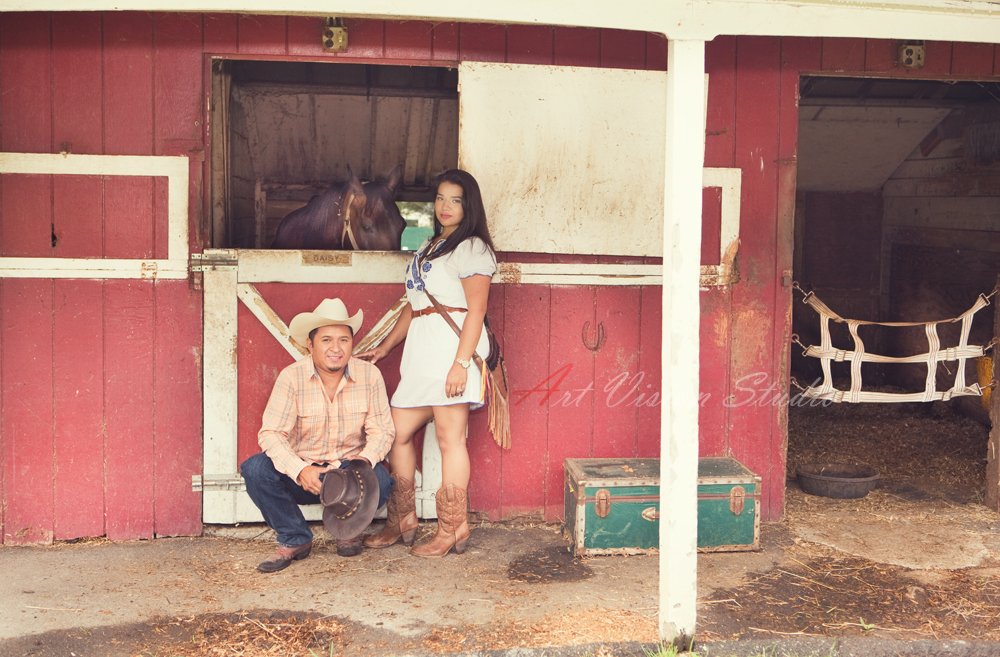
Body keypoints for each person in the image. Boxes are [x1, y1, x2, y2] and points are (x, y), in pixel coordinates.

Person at [358, 169, 497, 558]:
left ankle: (453, 527)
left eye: (455, 200)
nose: (445, 206)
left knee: (450, 440)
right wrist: (386, 348)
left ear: (469, 205)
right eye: (440, 198)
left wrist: (461, 363)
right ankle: (401, 519)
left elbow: (476, 311)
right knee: (395, 433)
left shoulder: (472, 248)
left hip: (452, 351)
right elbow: (414, 305)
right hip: (420, 356)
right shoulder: (428, 246)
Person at [241, 298, 395, 572]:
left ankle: (348, 529)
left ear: (352, 343)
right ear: (310, 345)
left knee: (381, 480)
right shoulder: (292, 377)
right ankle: (295, 537)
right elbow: (271, 433)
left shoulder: (370, 375)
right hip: (304, 476)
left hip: (349, 474)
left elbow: (382, 431)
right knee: (255, 470)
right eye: (326, 340)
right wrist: (301, 470)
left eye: (344, 340)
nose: (336, 348)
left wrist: (357, 466)